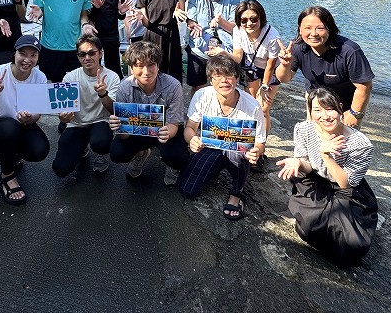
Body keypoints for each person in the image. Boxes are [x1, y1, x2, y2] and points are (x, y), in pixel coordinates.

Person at [276, 87, 378, 266]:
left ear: (340, 108)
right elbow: (308, 166)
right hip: (315, 179)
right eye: (317, 110)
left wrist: (327, 156)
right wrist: (298, 163)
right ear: (310, 112)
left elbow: (346, 183)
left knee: (352, 247)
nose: (325, 116)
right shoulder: (303, 129)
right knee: (308, 228)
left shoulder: (360, 143)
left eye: (329, 109)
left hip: (346, 190)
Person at [179, 54, 266, 221]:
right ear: (211, 80)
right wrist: (192, 140)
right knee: (187, 190)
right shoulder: (202, 96)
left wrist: (256, 151)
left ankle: (237, 193)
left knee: (238, 152)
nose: (224, 81)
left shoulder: (252, 105)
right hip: (210, 146)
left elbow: (260, 142)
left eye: (229, 75)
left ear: (237, 78)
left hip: (237, 151)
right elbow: (190, 128)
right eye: (218, 76)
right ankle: (216, 167)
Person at [0, 35, 50, 205]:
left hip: (19, 126)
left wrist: (30, 118)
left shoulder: (40, 77)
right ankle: (7, 176)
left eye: (33, 55)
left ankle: (10, 154)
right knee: (9, 127)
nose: (27, 60)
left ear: (38, 58)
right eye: (23, 53)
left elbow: (37, 114)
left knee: (40, 149)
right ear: (14, 53)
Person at [276, 6, 374, 128]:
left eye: (320, 28)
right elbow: (284, 79)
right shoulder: (298, 48)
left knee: (343, 144)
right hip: (316, 102)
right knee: (315, 139)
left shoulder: (349, 51)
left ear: (330, 29)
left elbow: (364, 86)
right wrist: (285, 65)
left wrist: (355, 113)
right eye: (307, 28)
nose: (313, 34)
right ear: (300, 30)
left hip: (345, 105)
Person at [108, 41, 189, 185]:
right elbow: (124, 135)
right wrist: (119, 127)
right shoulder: (124, 87)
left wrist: (167, 132)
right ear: (131, 68)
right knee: (117, 152)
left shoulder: (173, 85)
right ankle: (141, 153)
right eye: (139, 65)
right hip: (137, 131)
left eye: (151, 64)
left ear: (158, 65)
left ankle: (172, 166)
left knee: (178, 156)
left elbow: (174, 123)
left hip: (165, 129)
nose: (146, 71)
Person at [52, 36, 120, 177]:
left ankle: (101, 154)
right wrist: (63, 117)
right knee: (60, 168)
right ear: (78, 57)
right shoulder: (69, 77)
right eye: (82, 54)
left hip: (101, 122)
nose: (87, 57)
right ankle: (82, 147)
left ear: (100, 53)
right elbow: (62, 111)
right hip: (77, 124)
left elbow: (114, 110)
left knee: (101, 142)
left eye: (91, 53)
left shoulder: (112, 77)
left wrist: (103, 94)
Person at [231, 0, 281, 171]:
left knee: (263, 109)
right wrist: (224, 54)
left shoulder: (272, 36)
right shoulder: (238, 30)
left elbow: (271, 65)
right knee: (250, 106)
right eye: (244, 20)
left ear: (261, 18)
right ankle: (248, 145)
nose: (249, 23)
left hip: (271, 69)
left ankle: (261, 150)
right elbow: (238, 56)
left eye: (254, 19)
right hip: (251, 66)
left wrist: (265, 85)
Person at [135, 0, 187, 83]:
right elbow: (147, 23)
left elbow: (181, 16)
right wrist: (141, 18)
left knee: (172, 72)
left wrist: (179, 13)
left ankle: (174, 100)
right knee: (151, 71)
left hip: (171, 35)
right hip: (151, 36)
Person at [185, 0, 239, 90]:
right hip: (199, 48)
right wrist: (193, 25)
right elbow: (190, 20)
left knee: (223, 84)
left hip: (223, 50)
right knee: (198, 85)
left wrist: (221, 21)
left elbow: (235, 29)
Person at [87, 0, 130, 78]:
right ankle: (95, 89)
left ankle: (117, 91)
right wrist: (96, 7)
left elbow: (121, 17)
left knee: (114, 66)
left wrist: (121, 12)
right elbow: (87, 14)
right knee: (94, 64)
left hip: (112, 34)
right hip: (95, 34)